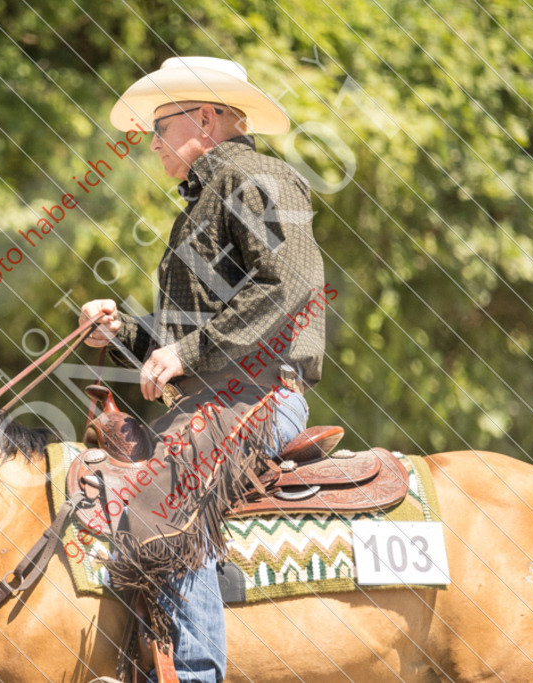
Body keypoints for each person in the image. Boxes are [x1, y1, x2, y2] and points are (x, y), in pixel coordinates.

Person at [80, 56, 326, 682]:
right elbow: (183, 341)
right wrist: (127, 333)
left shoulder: (257, 176)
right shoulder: (204, 201)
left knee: (161, 506)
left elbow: (290, 281)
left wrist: (184, 355)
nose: (153, 142)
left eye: (161, 126)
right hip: (213, 400)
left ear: (208, 118)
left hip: (260, 396)